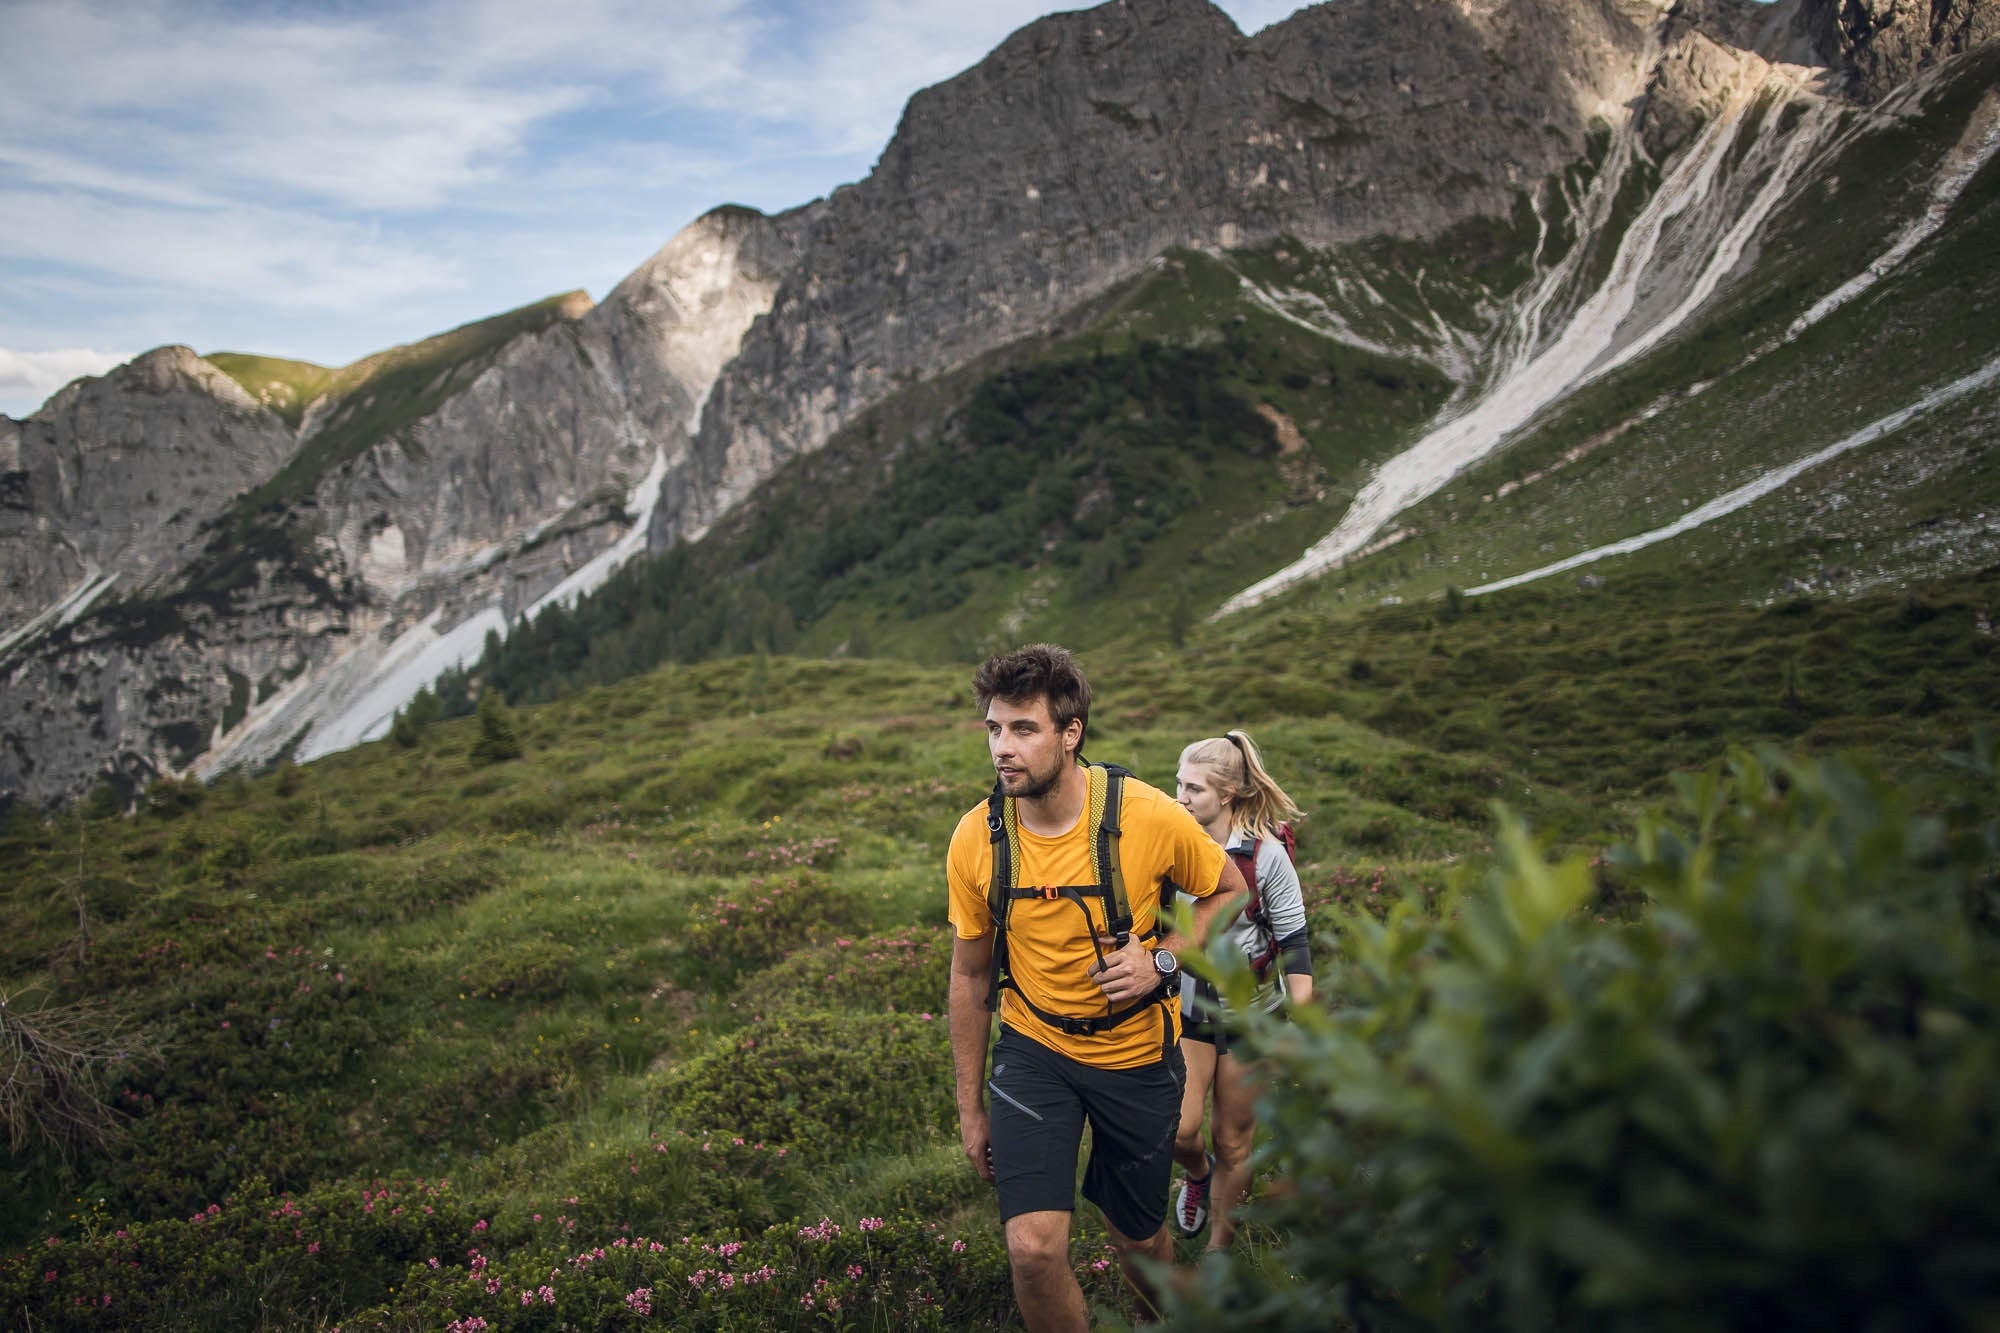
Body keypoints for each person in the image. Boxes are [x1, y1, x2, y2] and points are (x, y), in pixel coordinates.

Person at [947, 644, 1249, 1332]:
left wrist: (1162, 961)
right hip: (1034, 1051)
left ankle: (1151, 1320)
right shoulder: (976, 838)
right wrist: (969, 1109)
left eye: (1024, 728)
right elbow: (969, 977)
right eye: (995, 727)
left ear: (1071, 731)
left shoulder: (1147, 814)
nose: (1003, 747)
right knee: (1031, 1248)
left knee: (1137, 1241)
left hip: (1135, 1054)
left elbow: (1225, 893)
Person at [1169, 730, 1313, 1251]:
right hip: (1189, 1008)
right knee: (1181, 1132)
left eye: (1193, 789)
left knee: (1235, 1139)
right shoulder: (1172, 842)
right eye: (1178, 784)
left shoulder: (1267, 855)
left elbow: (1294, 936)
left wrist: (1302, 1015)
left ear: (1227, 794)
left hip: (1252, 1014)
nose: (1179, 798)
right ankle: (1197, 1175)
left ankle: (1219, 1252)